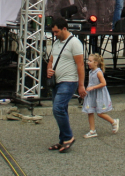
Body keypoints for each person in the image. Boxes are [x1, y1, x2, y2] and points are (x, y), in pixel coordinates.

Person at [46, 17, 86, 153]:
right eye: (53, 32)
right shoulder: (56, 43)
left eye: (56, 32)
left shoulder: (75, 43)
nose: (55, 34)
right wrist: (49, 69)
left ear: (64, 28)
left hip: (69, 81)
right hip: (56, 81)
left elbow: (80, 65)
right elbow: (50, 60)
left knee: (57, 108)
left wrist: (81, 85)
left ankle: (69, 137)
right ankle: (63, 140)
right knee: (61, 110)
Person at [82, 54, 119, 138]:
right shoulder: (91, 72)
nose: (88, 62)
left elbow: (104, 83)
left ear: (95, 63)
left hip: (98, 94)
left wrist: (93, 87)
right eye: (88, 60)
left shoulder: (98, 72)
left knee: (100, 113)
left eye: (90, 61)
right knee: (90, 111)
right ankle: (92, 131)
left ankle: (113, 121)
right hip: (91, 94)